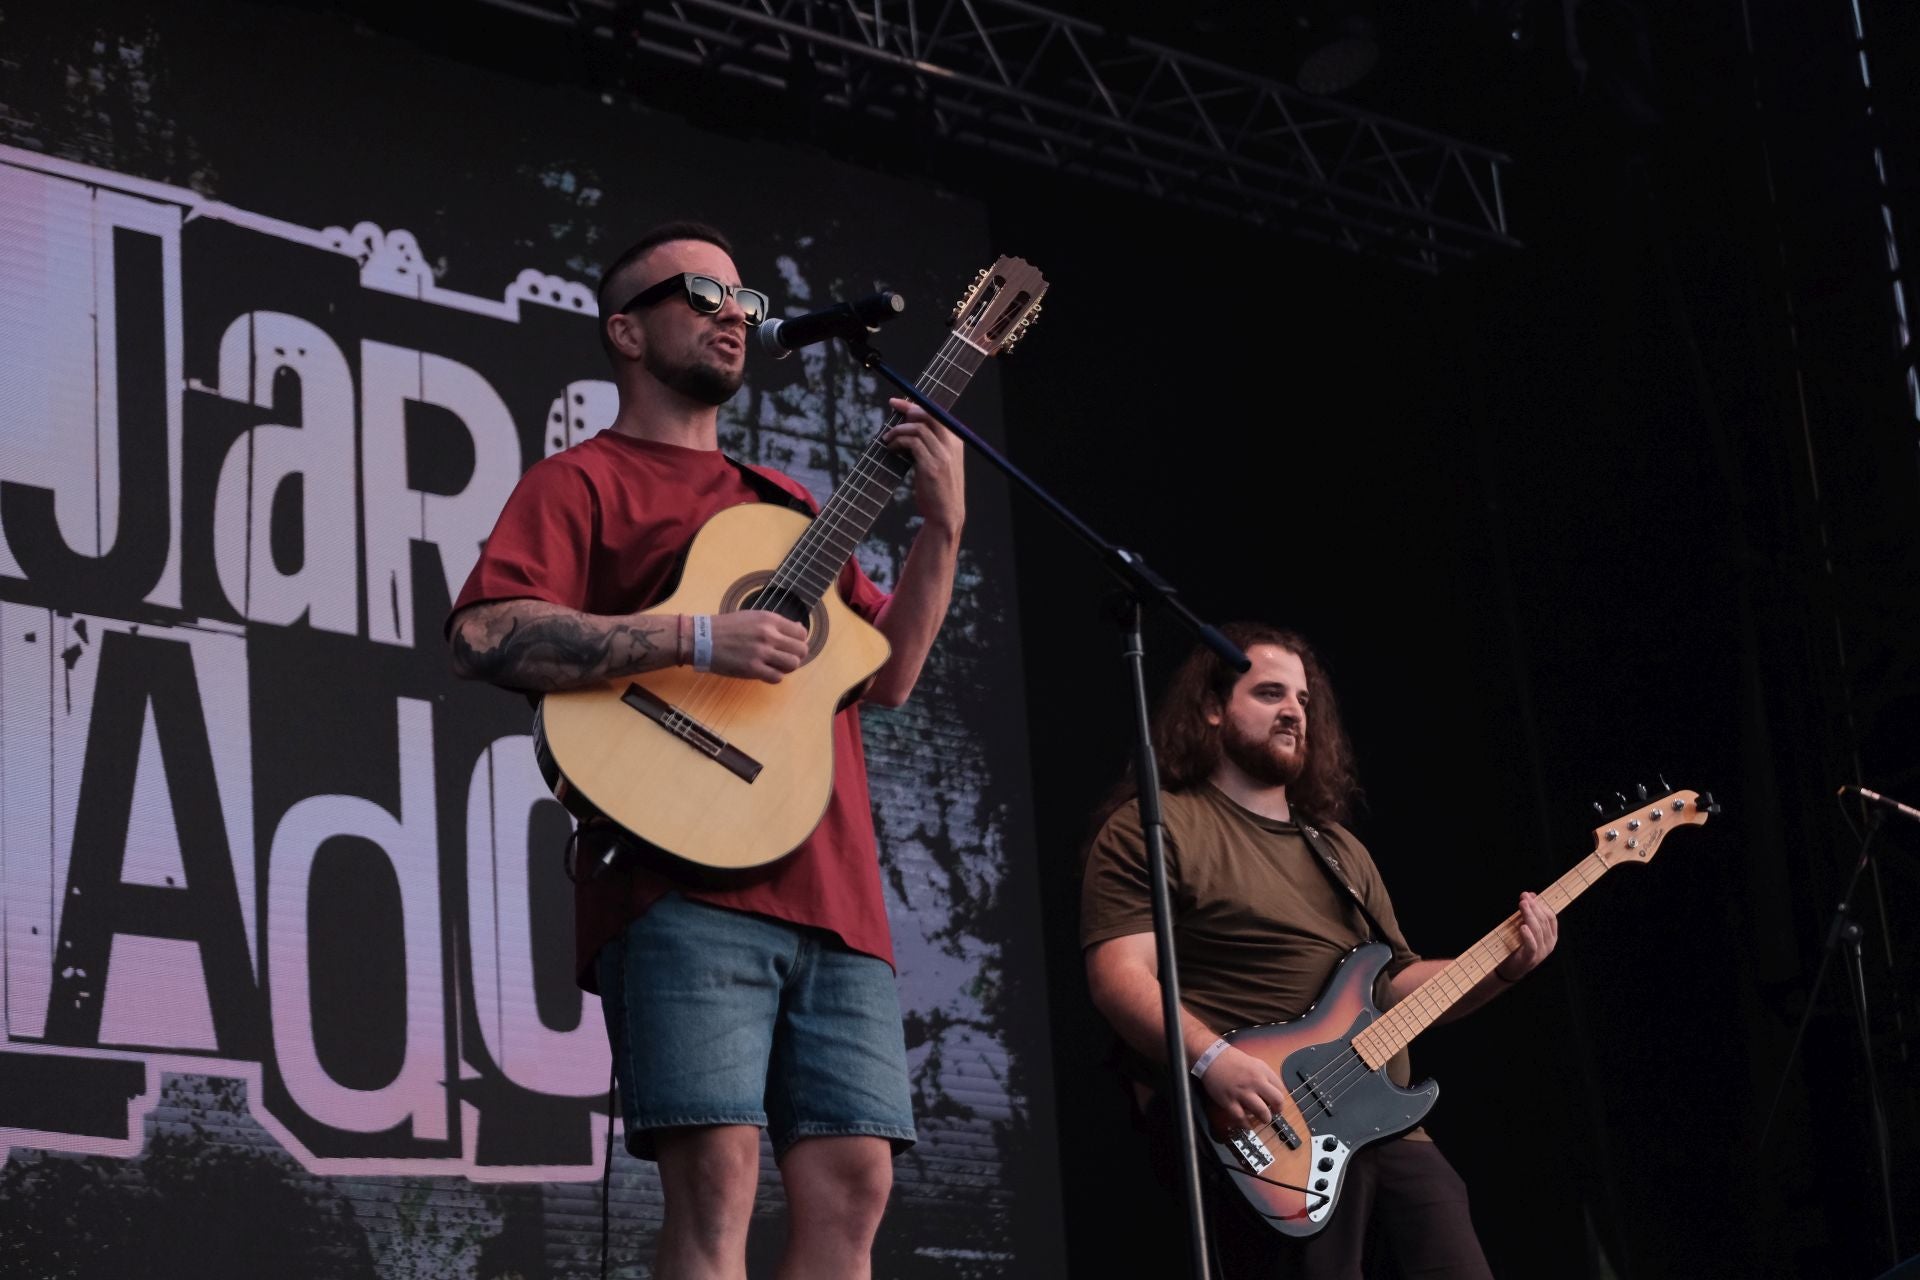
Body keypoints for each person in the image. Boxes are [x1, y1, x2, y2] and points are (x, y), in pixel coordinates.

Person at [446, 221, 964, 1280]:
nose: (734, 311)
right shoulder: (580, 480)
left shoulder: (785, 506)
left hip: (837, 891)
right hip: (679, 887)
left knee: (857, 1185)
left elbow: (890, 674)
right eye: (699, 292)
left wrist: (941, 531)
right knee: (717, 1178)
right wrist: (695, 637)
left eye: (744, 296)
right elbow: (485, 632)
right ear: (625, 332)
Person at [1081, 622, 1558, 1279]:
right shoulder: (1154, 827)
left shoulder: (1339, 850)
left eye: (1303, 701)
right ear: (1214, 707)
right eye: (1271, 693)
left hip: (1385, 1121)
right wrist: (1212, 1059)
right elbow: (1119, 976)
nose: (1293, 712)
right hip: (1269, 1123)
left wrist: (1504, 966)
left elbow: (1393, 988)